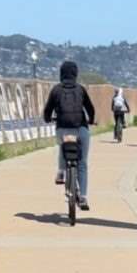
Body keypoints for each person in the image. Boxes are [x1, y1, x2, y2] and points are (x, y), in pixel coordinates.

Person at [43, 60, 95, 211]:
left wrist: (47, 119)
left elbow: (47, 110)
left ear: (61, 74)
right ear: (75, 74)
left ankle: (61, 172)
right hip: (81, 129)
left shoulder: (56, 90)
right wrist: (91, 120)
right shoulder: (81, 89)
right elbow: (90, 108)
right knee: (82, 163)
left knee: (62, 146)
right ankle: (83, 197)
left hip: (62, 129)